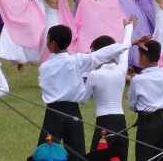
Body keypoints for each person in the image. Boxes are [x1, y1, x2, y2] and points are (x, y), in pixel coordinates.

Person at [33, 23, 141, 160]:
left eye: (47, 39)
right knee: (77, 153)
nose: (46, 42)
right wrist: (128, 42)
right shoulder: (76, 61)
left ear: (53, 44)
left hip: (54, 113)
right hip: (74, 113)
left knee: (45, 152)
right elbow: (102, 54)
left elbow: (44, 85)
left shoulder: (45, 67)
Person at [82, 17, 137, 161]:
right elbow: (124, 51)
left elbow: (82, 99)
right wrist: (128, 29)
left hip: (104, 122)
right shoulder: (121, 69)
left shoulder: (94, 74)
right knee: (120, 156)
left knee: (98, 157)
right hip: (120, 121)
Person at [128, 29, 163, 161]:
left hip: (146, 122)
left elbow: (132, 105)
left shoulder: (138, 80)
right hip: (162, 120)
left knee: (144, 156)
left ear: (144, 58)